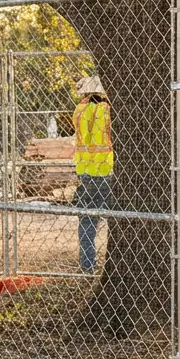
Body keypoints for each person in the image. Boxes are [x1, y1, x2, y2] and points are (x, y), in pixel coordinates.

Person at [72, 75, 112, 275]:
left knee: (87, 220)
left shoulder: (79, 111)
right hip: (108, 170)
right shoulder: (108, 111)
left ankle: (87, 265)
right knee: (116, 216)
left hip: (85, 171)